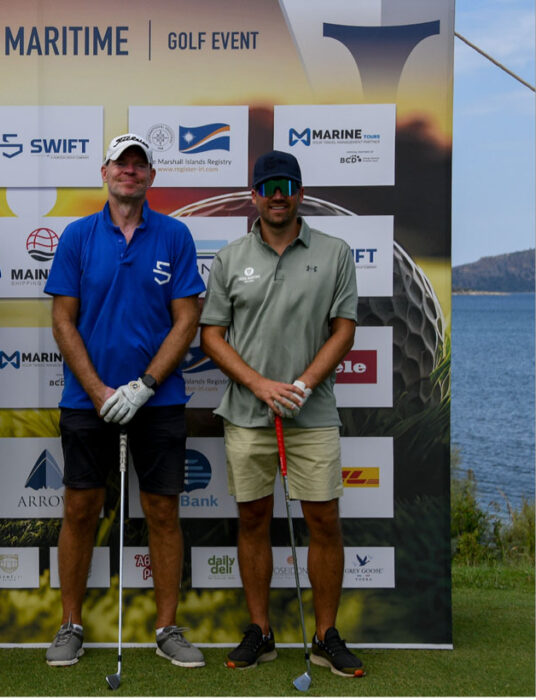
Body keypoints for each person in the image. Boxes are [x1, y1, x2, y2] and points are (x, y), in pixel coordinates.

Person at [200, 150, 365, 677]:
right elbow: (211, 336)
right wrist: (260, 386)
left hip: (311, 412)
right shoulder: (229, 259)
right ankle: (261, 632)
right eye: (268, 185)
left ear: (300, 192)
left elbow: (344, 328)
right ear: (254, 194)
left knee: (324, 520)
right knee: (252, 519)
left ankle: (325, 637)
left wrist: (300, 385)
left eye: (287, 185)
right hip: (248, 413)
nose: (278, 194)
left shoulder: (335, 252)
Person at [42, 133, 205, 668]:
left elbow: (187, 320)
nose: (129, 171)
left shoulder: (175, 236)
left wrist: (146, 384)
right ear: (104, 172)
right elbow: (63, 319)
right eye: (120, 163)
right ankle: (70, 624)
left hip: (157, 402)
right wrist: (99, 390)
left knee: (162, 511)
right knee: (80, 509)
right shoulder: (78, 236)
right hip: (86, 400)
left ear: (151, 176)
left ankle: (166, 627)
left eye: (139, 164)